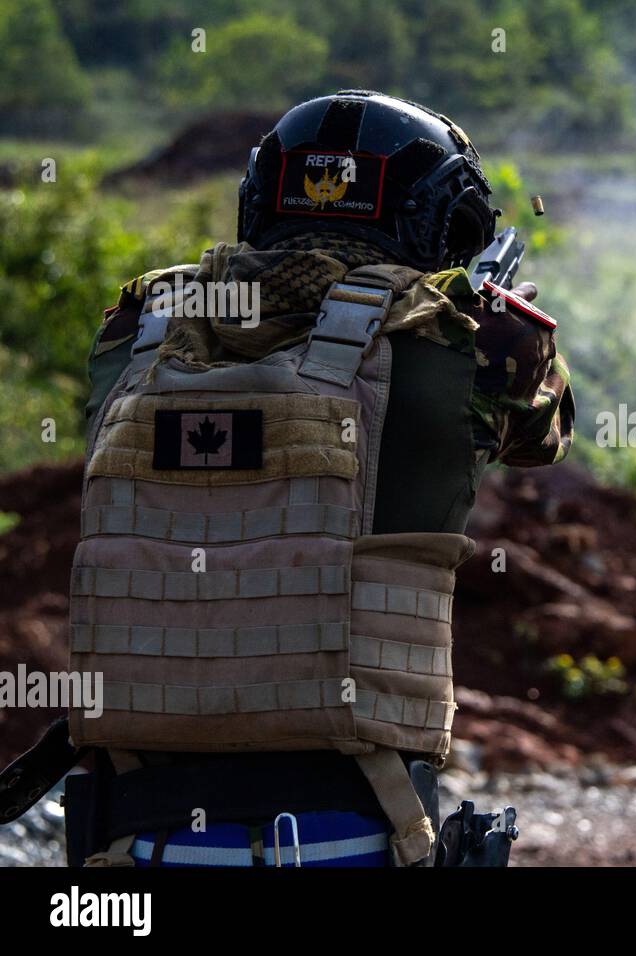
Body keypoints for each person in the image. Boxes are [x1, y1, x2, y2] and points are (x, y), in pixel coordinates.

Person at [56, 90, 573, 866]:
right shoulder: (472, 339)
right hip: (363, 831)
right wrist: (487, 311)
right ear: (436, 222)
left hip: (132, 842)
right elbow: (544, 435)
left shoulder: (136, 331)